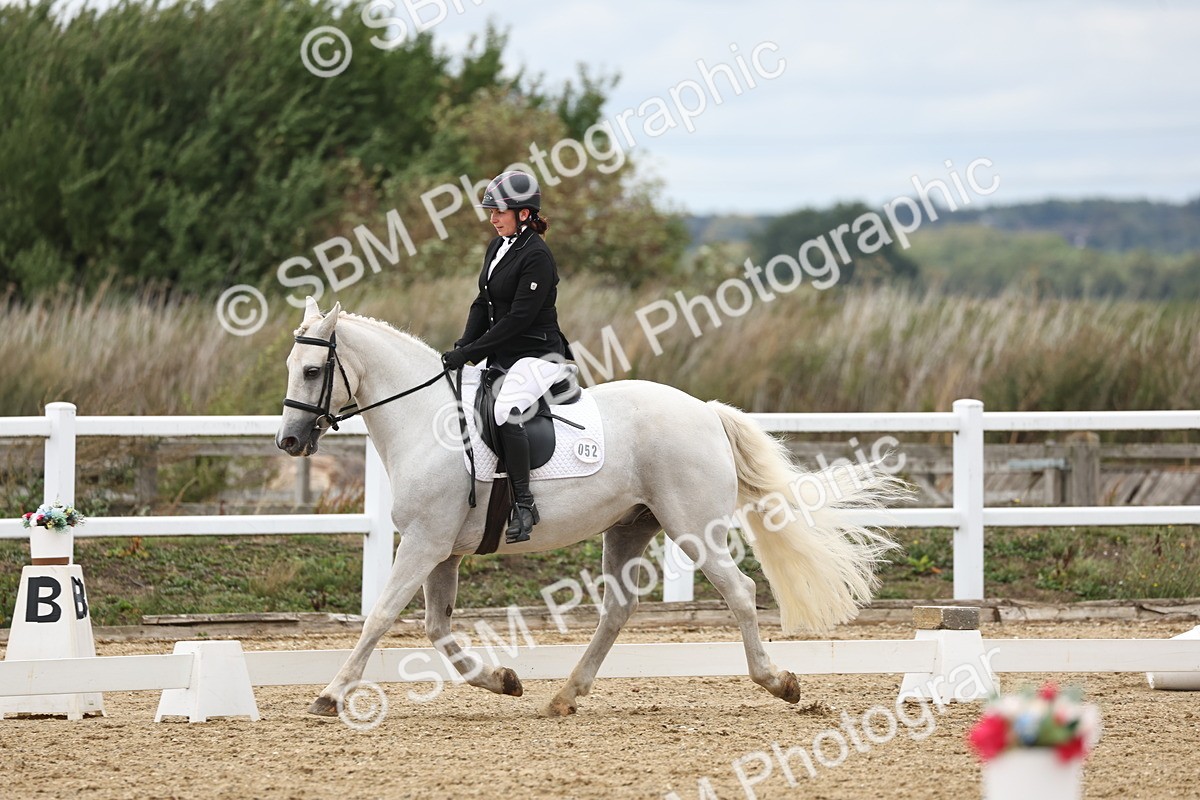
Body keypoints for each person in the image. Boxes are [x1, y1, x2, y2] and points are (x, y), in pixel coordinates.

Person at [441, 170, 572, 544]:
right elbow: (483, 301)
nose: (493, 218)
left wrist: (472, 351)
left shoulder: (538, 257)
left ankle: (525, 504)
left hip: (536, 355)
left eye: (500, 211)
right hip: (502, 355)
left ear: (525, 214)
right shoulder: (497, 247)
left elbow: (518, 319)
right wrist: (463, 348)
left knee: (504, 410)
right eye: (491, 211)